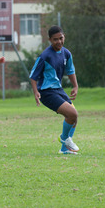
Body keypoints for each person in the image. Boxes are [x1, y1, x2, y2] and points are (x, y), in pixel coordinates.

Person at [29, 25, 79, 155]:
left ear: (64, 37)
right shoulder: (45, 56)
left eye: (61, 38)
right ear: (50, 40)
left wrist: (75, 85)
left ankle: (64, 149)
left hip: (58, 90)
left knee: (74, 117)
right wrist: (36, 92)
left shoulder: (66, 53)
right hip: (46, 92)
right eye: (55, 39)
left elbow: (70, 70)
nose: (59, 42)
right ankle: (64, 139)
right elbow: (33, 76)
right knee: (72, 114)